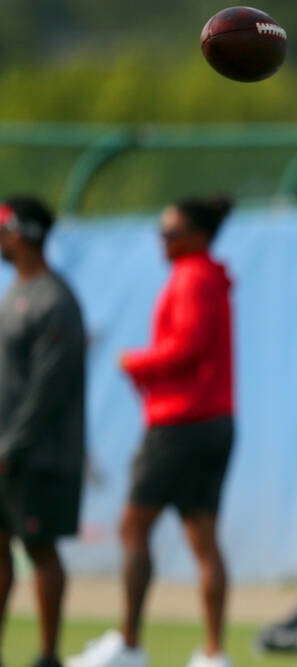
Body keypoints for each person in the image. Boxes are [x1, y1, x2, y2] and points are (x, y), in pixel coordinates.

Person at [68, 197, 235, 667]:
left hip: (181, 423)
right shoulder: (208, 276)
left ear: (197, 235)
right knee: (202, 536)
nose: (163, 240)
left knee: (134, 525)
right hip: (210, 420)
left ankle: (130, 644)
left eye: (171, 232)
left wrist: (135, 361)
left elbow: (186, 346)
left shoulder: (193, 277)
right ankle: (212, 653)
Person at [0, 196, 86, 667]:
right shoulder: (14, 292)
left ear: (24, 234)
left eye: (5, 229)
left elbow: (47, 389)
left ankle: (48, 655)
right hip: (5, 451)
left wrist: (13, 445)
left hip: (38, 456)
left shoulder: (55, 300)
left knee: (39, 548)